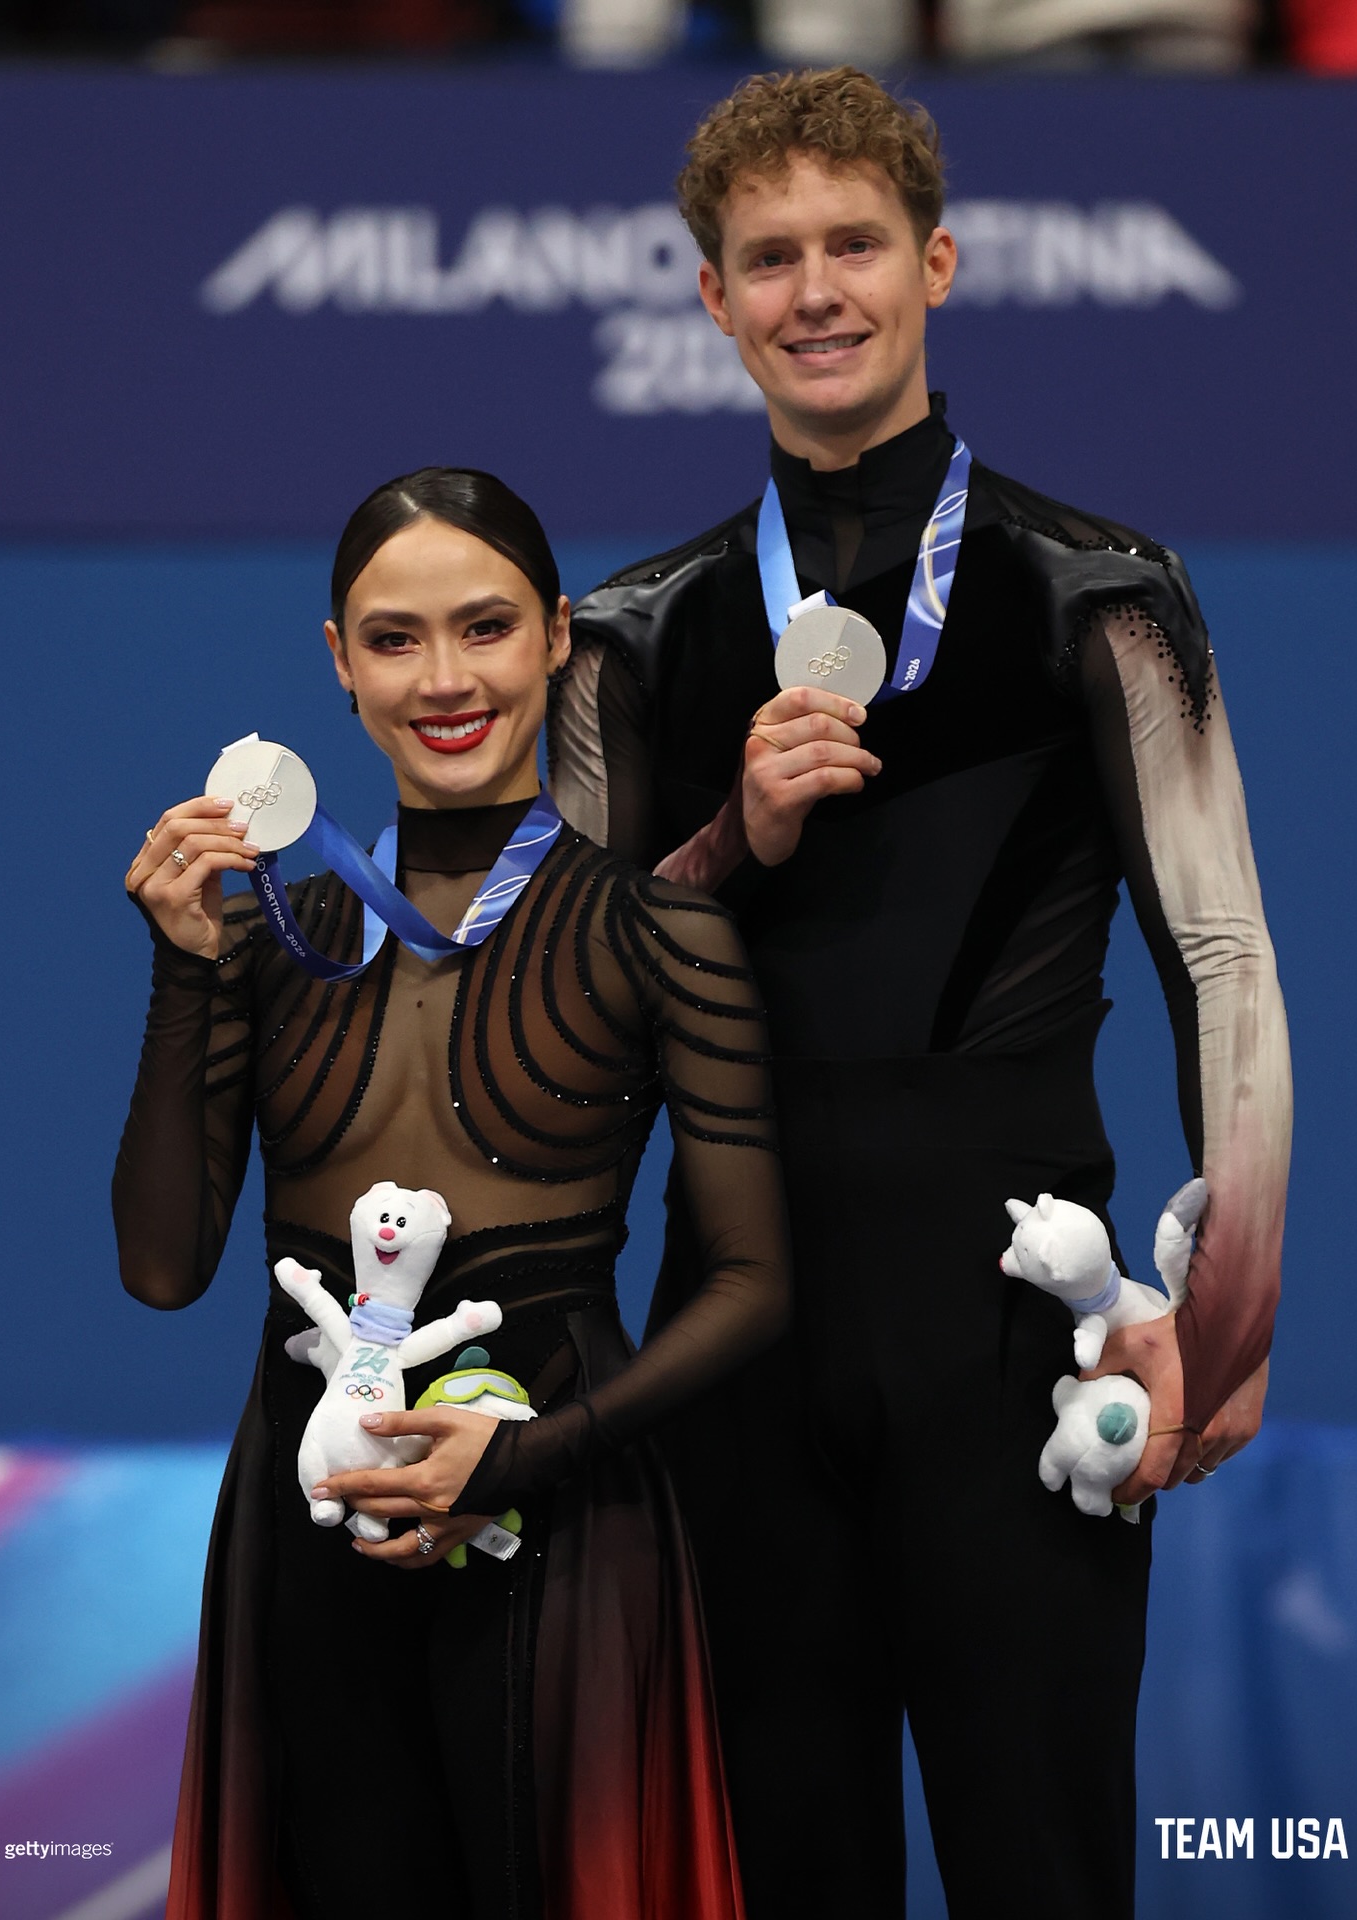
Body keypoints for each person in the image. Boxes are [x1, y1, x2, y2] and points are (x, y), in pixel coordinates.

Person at [548, 66, 1291, 1920]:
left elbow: (1220, 951)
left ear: (935, 264)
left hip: (1017, 1328)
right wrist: (731, 840)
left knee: (1044, 1869)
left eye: (855, 244)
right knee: (783, 1877)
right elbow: (559, 1012)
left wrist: (1233, 1312)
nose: (817, 290)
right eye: (770, 256)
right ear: (711, 298)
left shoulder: (1105, 592)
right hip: (735, 1341)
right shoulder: (629, 637)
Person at [114, 467, 790, 1920]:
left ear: (557, 634)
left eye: (484, 628)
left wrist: (529, 1453)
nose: (444, 680)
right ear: (338, 662)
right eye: (395, 638)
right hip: (309, 1542)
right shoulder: (268, 939)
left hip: (567, 1523)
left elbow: (753, 1283)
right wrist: (183, 967)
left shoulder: (659, 932)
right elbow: (164, 1268)